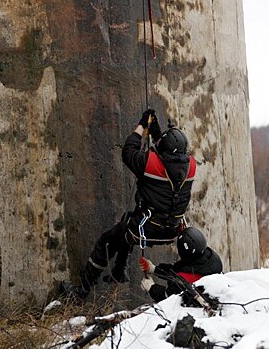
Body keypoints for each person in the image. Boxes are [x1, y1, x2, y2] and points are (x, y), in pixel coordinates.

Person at [66, 109, 197, 300]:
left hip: (146, 230)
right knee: (125, 224)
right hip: (171, 231)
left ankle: (81, 292)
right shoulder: (190, 167)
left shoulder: (150, 164)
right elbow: (169, 155)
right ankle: (119, 270)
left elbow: (129, 151)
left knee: (107, 241)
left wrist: (142, 126)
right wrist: (157, 133)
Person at [139, 227, 223, 302]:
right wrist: (154, 269)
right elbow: (178, 270)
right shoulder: (209, 258)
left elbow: (168, 297)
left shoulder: (187, 278)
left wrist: (151, 287)